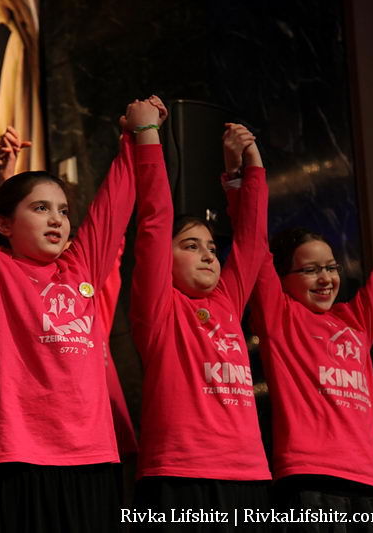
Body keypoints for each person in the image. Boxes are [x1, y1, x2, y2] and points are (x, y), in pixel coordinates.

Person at [0, 84, 141, 532]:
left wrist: (133, 141)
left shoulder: (80, 267)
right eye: (41, 208)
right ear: (4, 224)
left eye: (62, 210)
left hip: (95, 459)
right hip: (19, 459)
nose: (57, 219)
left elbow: (113, 208)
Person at [129, 113, 271, 526]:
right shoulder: (159, 309)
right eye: (191, 245)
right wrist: (147, 137)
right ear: (164, 259)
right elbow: (155, 220)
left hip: (248, 477)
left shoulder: (227, 302)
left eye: (210, 246)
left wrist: (248, 167)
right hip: (178, 476)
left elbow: (252, 240)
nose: (209, 255)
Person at [251, 222, 373, 529]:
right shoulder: (280, 315)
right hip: (309, 481)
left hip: (368, 482)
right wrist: (241, 182)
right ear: (282, 278)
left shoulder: (357, 320)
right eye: (310, 270)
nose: (325, 278)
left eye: (331, 267)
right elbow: (253, 242)